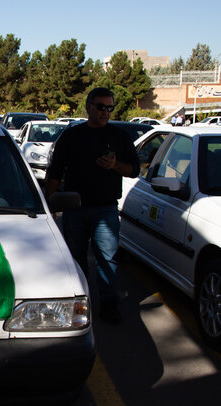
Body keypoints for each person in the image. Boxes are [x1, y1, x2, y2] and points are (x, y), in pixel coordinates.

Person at [45, 87, 140, 324]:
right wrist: (50, 203)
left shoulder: (119, 137)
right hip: (74, 208)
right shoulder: (72, 136)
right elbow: (55, 171)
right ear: (88, 107)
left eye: (110, 107)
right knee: (75, 260)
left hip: (105, 209)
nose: (106, 112)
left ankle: (109, 305)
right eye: (101, 107)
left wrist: (115, 165)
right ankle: (78, 305)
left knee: (107, 258)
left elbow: (134, 170)